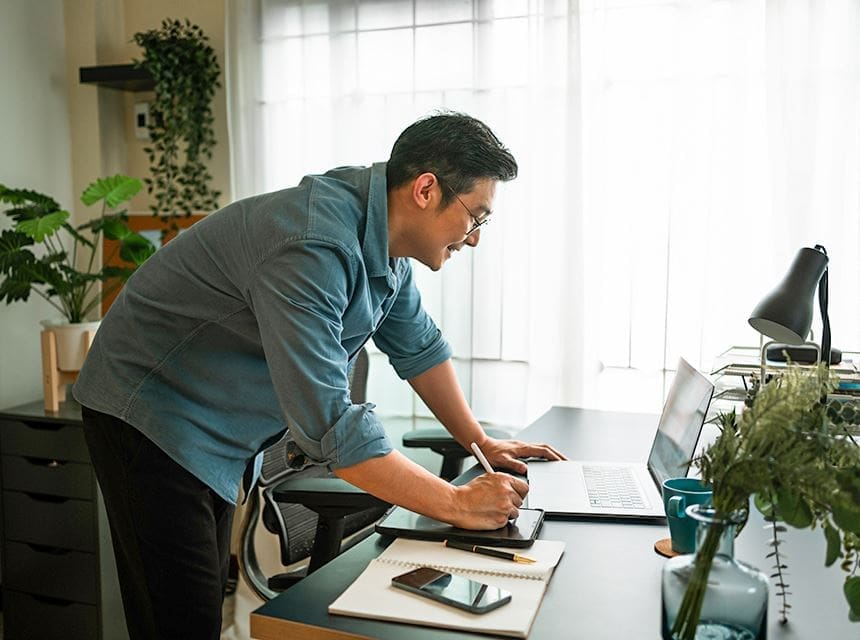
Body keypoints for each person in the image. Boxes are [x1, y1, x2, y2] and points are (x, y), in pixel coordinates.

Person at [73, 111, 566, 640]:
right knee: (178, 619)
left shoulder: (383, 234)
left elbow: (419, 345)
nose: (473, 239)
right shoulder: (313, 245)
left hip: (210, 421)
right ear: (426, 190)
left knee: (197, 605)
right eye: (476, 218)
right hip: (148, 411)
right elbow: (332, 424)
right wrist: (456, 503)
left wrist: (479, 442)